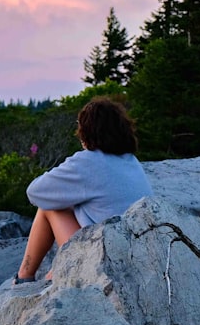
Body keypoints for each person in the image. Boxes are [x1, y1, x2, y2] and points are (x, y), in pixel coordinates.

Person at [14, 96, 153, 283]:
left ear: (87, 132)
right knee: (74, 204)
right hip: (138, 257)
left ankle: (24, 277)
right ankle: (56, 268)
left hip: (102, 262)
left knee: (50, 208)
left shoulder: (88, 162)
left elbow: (35, 192)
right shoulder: (130, 160)